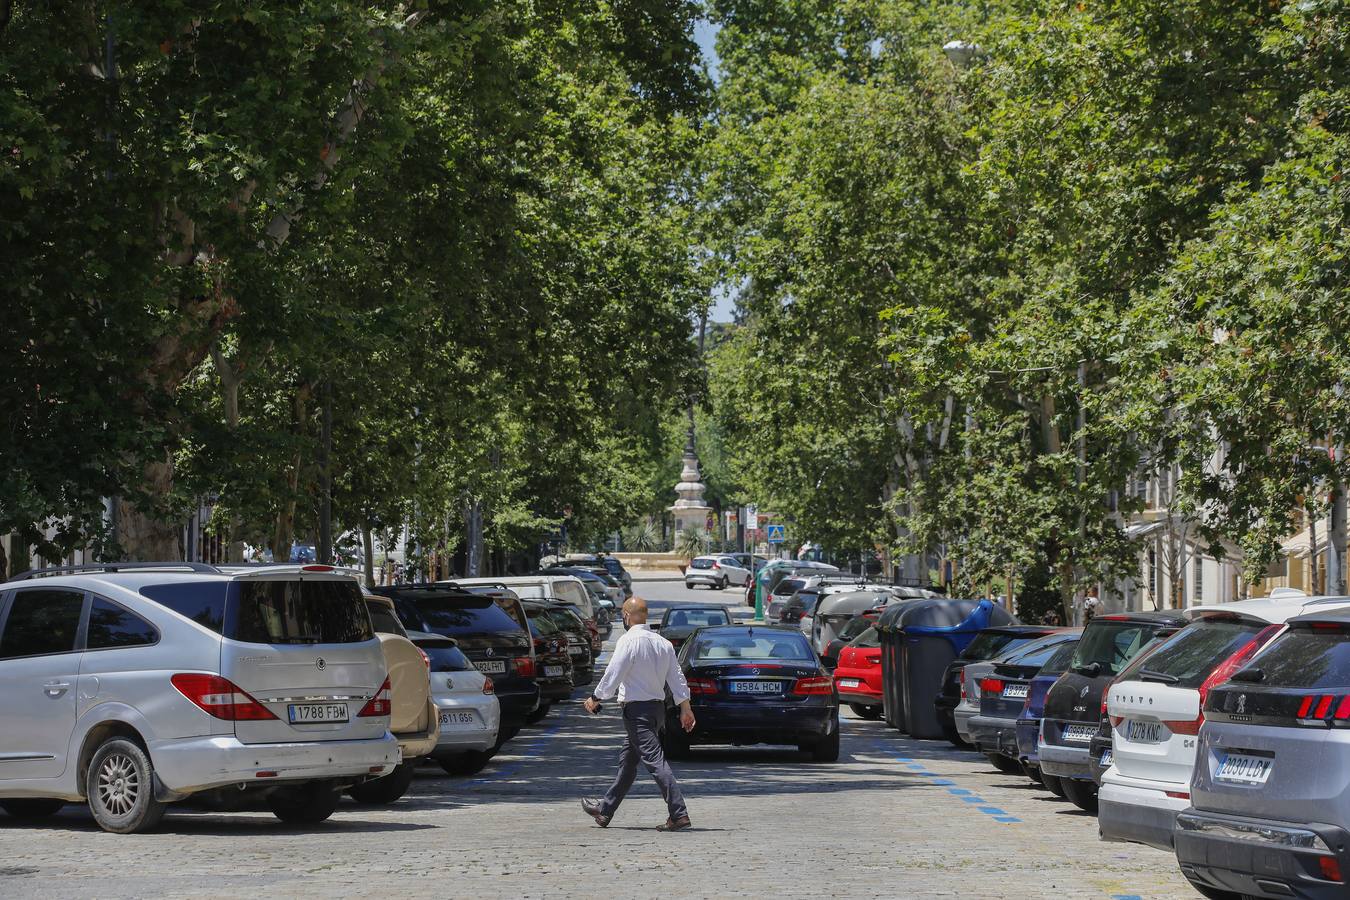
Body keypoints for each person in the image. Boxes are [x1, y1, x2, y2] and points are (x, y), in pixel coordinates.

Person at [581, 597, 695, 831]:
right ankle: (605, 811)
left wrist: (596, 697)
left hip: (637, 712)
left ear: (626, 615)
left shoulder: (629, 641)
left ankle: (679, 813)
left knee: (655, 761)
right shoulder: (663, 643)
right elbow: (677, 678)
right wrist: (686, 708)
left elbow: (614, 672)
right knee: (628, 762)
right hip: (656, 711)